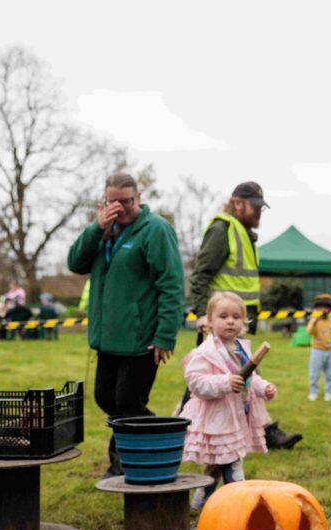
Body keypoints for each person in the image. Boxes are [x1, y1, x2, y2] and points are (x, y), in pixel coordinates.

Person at [67, 172, 185, 478]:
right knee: (106, 399)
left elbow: (171, 285)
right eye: (112, 201)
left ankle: (120, 465)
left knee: (128, 402)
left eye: (126, 201)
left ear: (139, 198)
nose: (120, 207)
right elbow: (75, 263)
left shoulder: (155, 230)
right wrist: (96, 227)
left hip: (141, 338)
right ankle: (161, 432)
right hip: (107, 339)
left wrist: (165, 335)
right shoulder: (103, 231)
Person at [188, 181, 301, 450]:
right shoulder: (223, 230)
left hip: (236, 324)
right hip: (219, 324)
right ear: (237, 203)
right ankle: (267, 433)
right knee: (212, 381)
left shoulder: (244, 234)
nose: (259, 213)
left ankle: (261, 432)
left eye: (262, 208)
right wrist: (202, 315)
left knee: (236, 379)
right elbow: (201, 275)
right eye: (255, 207)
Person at [181, 292, 277, 510]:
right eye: (223, 316)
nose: (231, 321)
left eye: (236, 316)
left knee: (218, 461)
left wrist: (264, 388)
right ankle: (239, 504)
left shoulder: (241, 348)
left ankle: (200, 502)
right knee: (232, 460)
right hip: (217, 418)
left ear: (244, 321)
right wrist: (224, 383)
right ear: (210, 320)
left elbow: (250, 377)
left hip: (237, 416)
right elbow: (195, 382)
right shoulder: (206, 352)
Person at [306, 293, 331, 401]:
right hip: (317, 350)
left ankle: (329, 393)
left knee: (329, 374)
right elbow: (309, 332)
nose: (323, 310)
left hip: (330, 351)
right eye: (320, 307)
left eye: (325, 307)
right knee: (314, 373)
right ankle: (313, 392)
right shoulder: (314, 320)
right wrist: (314, 320)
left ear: (329, 309)